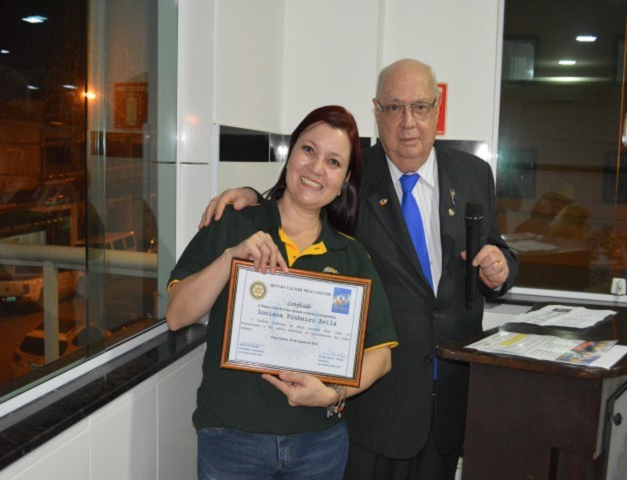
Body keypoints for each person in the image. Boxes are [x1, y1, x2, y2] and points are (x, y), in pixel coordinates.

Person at [200, 59, 518, 480]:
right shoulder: (352, 175)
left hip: (448, 398)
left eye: (420, 107)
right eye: (394, 108)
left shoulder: (474, 173)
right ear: (377, 111)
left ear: (437, 108)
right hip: (376, 406)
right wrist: (252, 197)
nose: (408, 122)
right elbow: (302, 200)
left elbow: (492, 247)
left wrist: (501, 269)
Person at [167, 105, 398, 480]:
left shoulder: (350, 255)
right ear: (290, 154)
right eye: (308, 150)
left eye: (334, 162)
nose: (316, 168)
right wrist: (230, 257)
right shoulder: (234, 222)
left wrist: (333, 394)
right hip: (231, 440)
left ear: (345, 180)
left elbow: (381, 354)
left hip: (319, 445)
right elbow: (177, 315)